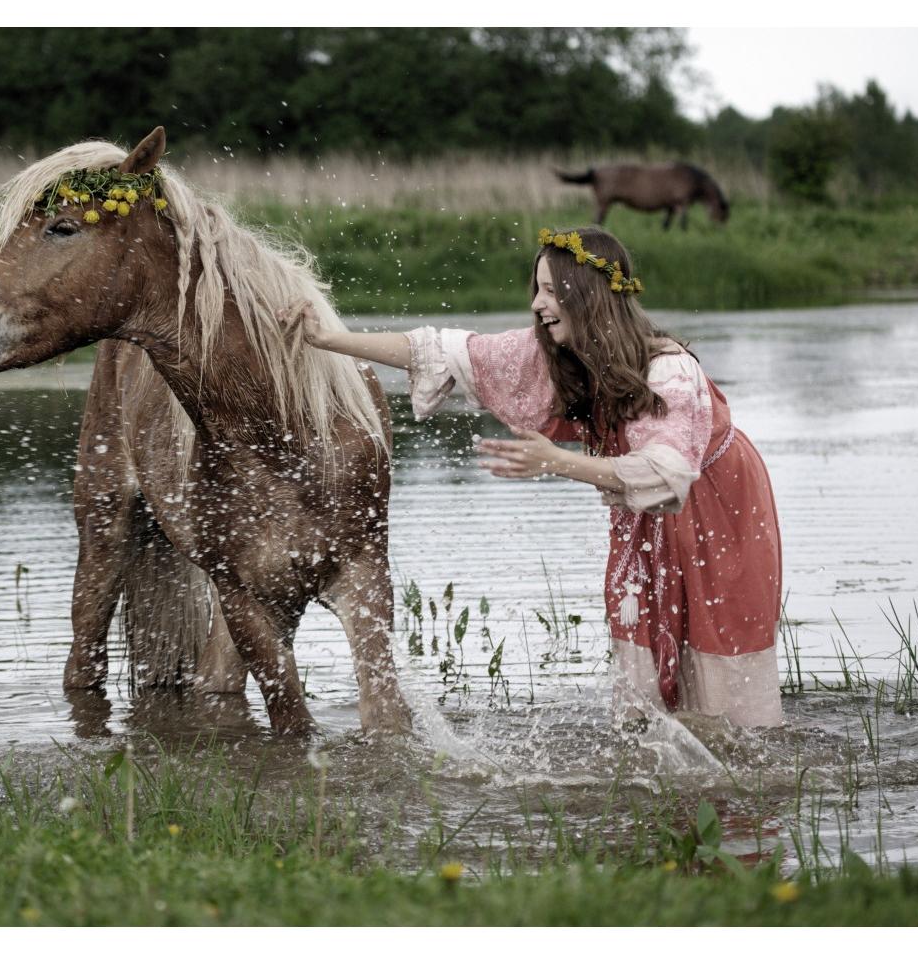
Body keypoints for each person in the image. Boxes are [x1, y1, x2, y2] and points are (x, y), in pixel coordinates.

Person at [281, 226, 782, 728]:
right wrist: (328, 339)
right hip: (641, 506)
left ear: (586, 296)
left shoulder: (669, 371)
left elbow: (667, 477)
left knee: (717, 646)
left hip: (717, 502)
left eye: (551, 291)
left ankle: (738, 757)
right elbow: (439, 350)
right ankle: (655, 745)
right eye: (536, 289)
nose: (538, 304)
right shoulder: (556, 352)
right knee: (639, 630)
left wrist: (554, 461)